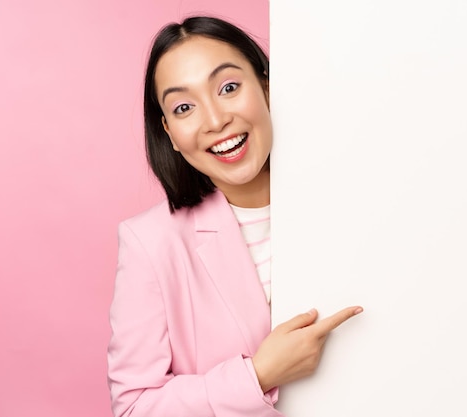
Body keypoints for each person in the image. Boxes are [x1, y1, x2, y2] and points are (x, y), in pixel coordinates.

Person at [107, 15, 363, 417]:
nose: (215, 120)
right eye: (184, 107)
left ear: (265, 85)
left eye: (228, 87)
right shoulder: (151, 243)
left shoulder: (358, 195)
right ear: (170, 132)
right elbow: (134, 407)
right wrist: (257, 376)